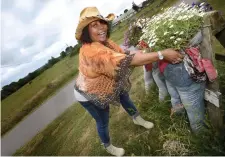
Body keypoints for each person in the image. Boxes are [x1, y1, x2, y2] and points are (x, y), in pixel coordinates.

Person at [73, 6, 183, 156]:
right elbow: (128, 60)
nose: (101, 27)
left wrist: (147, 50)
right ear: (86, 31)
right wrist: (161, 54)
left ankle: (137, 118)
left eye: (102, 22)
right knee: (103, 120)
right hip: (89, 92)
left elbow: (124, 52)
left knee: (124, 95)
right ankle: (107, 146)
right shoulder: (92, 51)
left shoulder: (105, 42)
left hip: (107, 81)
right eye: (94, 25)